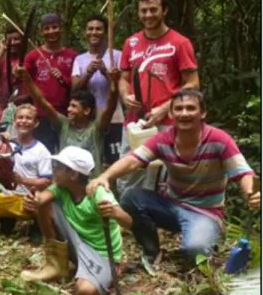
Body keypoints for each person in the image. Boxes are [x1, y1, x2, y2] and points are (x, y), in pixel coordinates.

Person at [87, 89, 260, 267]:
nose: (184, 113)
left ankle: (206, 238)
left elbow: (243, 172)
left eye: (190, 108)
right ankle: (151, 252)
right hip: (170, 205)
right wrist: (105, 176)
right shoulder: (163, 139)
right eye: (178, 109)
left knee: (195, 252)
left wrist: (250, 192)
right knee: (131, 197)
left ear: (203, 113)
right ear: (171, 113)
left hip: (205, 211)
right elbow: (133, 160)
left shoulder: (219, 140)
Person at [21, 146, 132, 295]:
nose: (54, 170)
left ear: (73, 174)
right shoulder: (61, 188)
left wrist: (114, 213)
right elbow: (42, 199)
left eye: (59, 167)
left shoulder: (98, 193)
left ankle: (105, 274)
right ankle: (56, 264)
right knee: (45, 205)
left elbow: (128, 222)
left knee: (85, 292)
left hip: (100, 254)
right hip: (76, 242)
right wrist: (34, 201)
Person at [117, 0, 200, 196]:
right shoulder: (131, 42)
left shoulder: (179, 43)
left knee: (167, 173)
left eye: (153, 10)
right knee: (130, 169)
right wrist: (126, 95)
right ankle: (129, 220)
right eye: (143, 11)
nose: (148, 15)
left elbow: (193, 82)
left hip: (168, 121)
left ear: (164, 11)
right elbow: (123, 78)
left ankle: (168, 223)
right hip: (136, 121)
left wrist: (165, 108)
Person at [16, 64, 119, 177]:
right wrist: (27, 79)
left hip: (91, 185)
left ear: (86, 110)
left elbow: (110, 108)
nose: (69, 109)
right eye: (69, 106)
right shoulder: (63, 124)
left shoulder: (96, 128)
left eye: (74, 106)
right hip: (65, 185)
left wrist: (114, 85)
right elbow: (42, 102)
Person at [72, 14, 125, 165]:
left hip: (114, 115)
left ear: (106, 32)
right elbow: (74, 90)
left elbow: (121, 86)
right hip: (88, 116)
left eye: (98, 29)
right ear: (85, 33)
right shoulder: (80, 59)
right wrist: (87, 74)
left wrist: (105, 72)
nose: (94, 32)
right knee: (90, 158)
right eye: (90, 29)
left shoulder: (117, 56)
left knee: (113, 158)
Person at [24, 13, 77, 153]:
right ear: (41, 31)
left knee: (66, 155)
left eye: (55, 27)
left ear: (61, 29)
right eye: (47, 28)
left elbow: (77, 85)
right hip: (41, 115)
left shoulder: (72, 56)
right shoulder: (32, 56)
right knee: (43, 154)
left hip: (66, 114)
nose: (51, 31)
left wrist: (64, 79)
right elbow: (26, 84)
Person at [0, 25, 25, 121]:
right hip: (4, 108)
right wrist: (2, 49)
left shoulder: (28, 59)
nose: (12, 43)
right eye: (9, 40)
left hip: (24, 110)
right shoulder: (3, 60)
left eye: (16, 39)